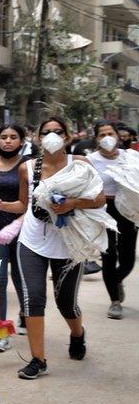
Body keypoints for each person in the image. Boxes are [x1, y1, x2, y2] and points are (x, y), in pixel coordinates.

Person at [15, 116, 104, 380]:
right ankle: (37, 359)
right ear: (39, 137)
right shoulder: (27, 168)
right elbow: (23, 204)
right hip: (31, 241)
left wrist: (73, 202)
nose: (52, 136)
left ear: (67, 137)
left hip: (68, 244)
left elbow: (98, 199)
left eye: (57, 131)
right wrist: (1, 206)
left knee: (66, 302)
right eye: (46, 132)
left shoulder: (80, 165)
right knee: (33, 299)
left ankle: (77, 334)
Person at [0, 124, 31, 351]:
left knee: (23, 280)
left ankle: (27, 314)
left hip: (22, 229)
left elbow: (30, 200)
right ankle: (0, 334)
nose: (8, 141)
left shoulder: (28, 165)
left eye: (13, 137)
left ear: (21, 141)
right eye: (4, 137)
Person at [87, 120, 139, 319]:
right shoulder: (90, 160)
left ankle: (116, 280)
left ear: (118, 136)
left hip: (126, 211)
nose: (107, 138)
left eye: (110, 133)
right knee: (108, 255)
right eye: (102, 135)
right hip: (102, 209)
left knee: (127, 260)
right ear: (96, 139)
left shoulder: (131, 158)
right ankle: (114, 301)